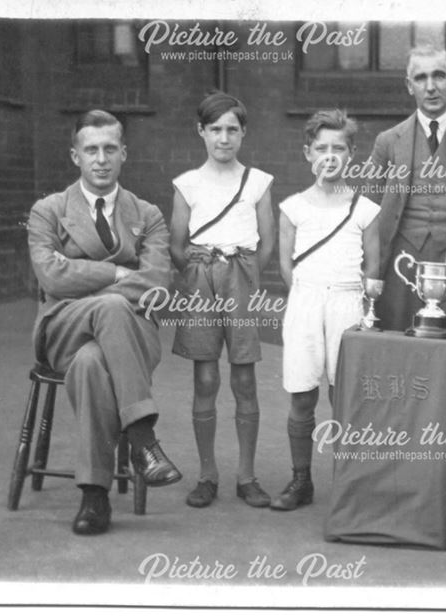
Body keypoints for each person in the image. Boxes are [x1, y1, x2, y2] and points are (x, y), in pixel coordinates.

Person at [27, 110, 181, 536]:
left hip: (129, 337)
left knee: (94, 360)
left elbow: (156, 286)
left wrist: (82, 278)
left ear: (124, 154)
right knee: (111, 309)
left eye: (109, 148)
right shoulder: (49, 211)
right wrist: (115, 275)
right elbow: (51, 276)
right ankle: (143, 441)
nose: (100, 158)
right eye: (90, 149)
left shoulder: (146, 214)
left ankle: (94, 497)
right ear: (75, 155)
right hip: (62, 329)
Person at [169, 92, 276, 509]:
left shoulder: (259, 182)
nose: (224, 138)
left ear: (243, 132)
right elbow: (178, 246)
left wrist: (242, 273)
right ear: (202, 132)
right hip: (200, 280)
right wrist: (203, 271)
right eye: (216, 129)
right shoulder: (187, 183)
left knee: (245, 378)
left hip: (242, 278)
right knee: (206, 378)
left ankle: (247, 476)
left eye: (232, 129)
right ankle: (207, 474)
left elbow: (266, 241)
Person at [274, 109, 381, 511]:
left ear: (351, 153)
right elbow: (287, 267)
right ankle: (301, 480)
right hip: (305, 301)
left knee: (345, 397)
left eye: (339, 148)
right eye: (322, 148)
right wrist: (307, 297)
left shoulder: (366, 209)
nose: (330, 156)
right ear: (308, 154)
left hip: (348, 303)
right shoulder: (292, 208)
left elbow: (374, 267)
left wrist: (355, 303)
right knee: (302, 394)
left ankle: (348, 483)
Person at [369, 44, 446, 333]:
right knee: (402, 350)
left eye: (439, 76)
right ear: (410, 86)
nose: (431, 87)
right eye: (421, 78)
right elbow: (369, 214)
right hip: (403, 264)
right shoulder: (387, 142)